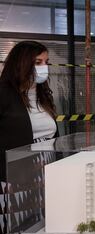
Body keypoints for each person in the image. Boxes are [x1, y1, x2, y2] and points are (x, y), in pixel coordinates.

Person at [0, 40, 57, 182]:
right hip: (15, 175)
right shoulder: (4, 94)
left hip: (48, 170)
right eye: (38, 62)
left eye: (46, 62)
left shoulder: (44, 96)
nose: (44, 67)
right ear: (22, 64)